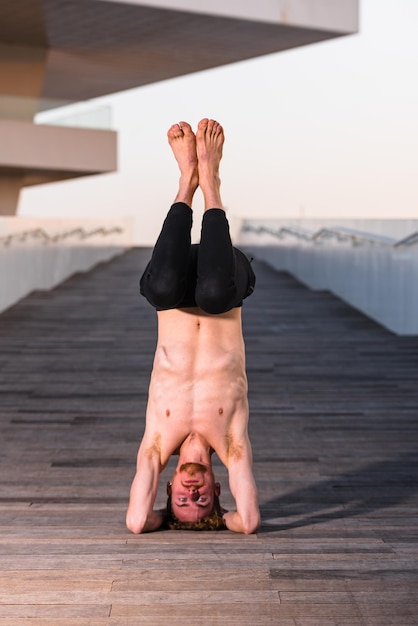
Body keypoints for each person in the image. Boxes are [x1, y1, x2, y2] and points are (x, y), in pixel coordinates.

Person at [126, 118, 260, 533]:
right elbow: (250, 521)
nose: (193, 495)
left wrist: (159, 520)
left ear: (166, 489)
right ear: (220, 489)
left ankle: (187, 180)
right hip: (224, 280)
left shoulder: (156, 442)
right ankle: (213, 183)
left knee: (162, 289)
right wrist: (229, 523)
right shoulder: (232, 443)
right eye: (202, 502)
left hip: (177, 281)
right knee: (216, 296)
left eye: (181, 501)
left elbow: (134, 522)